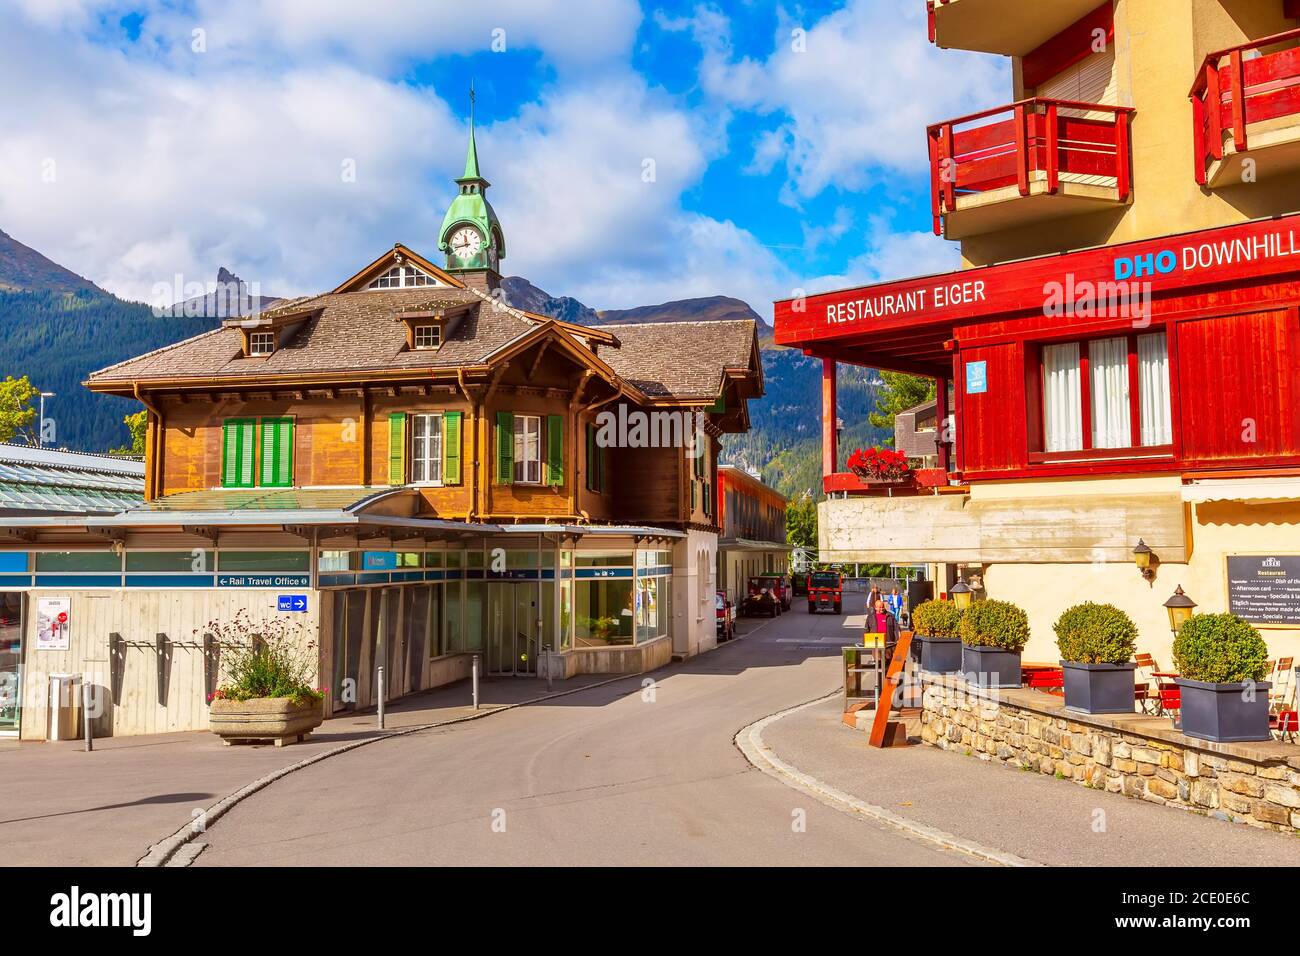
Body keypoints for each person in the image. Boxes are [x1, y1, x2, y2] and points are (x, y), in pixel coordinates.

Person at [869, 597, 901, 667]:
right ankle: (880, 678)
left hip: (889, 643)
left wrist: (898, 639)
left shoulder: (890, 616)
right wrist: (865, 642)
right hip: (876, 644)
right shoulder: (871, 617)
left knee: (889, 663)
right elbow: (866, 630)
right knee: (879, 664)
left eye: (882, 607)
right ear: (875, 607)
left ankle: (888, 677)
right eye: (879, 607)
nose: (881, 609)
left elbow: (896, 628)